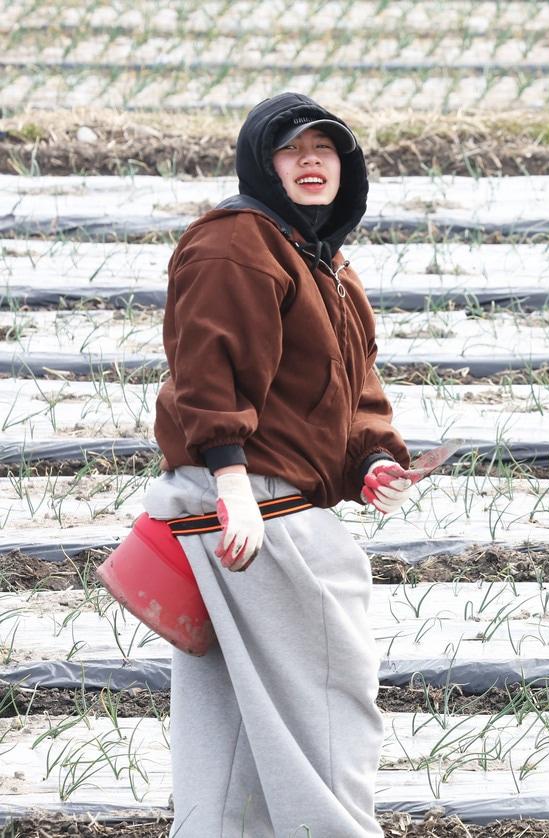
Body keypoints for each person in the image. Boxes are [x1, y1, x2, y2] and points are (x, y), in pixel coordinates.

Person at [146, 92, 415, 836]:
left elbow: (351, 387)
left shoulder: (322, 264)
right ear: (261, 163)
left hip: (260, 500)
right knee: (329, 698)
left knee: (228, 719)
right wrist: (232, 485)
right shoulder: (237, 242)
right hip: (256, 509)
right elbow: (205, 369)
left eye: (324, 151)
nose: (310, 163)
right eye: (291, 150)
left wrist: (368, 460)